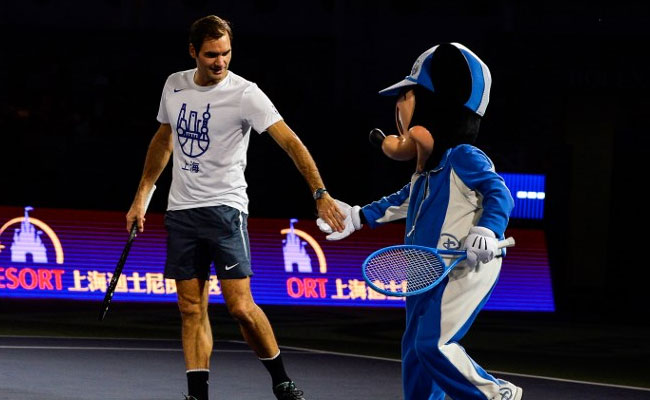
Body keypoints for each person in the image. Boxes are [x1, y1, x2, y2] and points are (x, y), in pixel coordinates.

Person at [125, 15, 345, 400]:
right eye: (211, 54)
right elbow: (164, 139)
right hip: (181, 211)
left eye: (226, 53)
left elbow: (291, 143)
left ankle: (281, 378)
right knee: (191, 308)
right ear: (193, 51)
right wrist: (142, 195)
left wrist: (320, 192)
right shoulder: (173, 85)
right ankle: (198, 393)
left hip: (226, 210)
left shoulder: (246, 94)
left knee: (240, 307)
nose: (220, 62)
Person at [317, 43, 521, 399]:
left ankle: (495, 394)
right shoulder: (425, 172)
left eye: (408, 96)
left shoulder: (463, 157)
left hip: (463, 265)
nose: (398, 107)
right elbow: (401, 201)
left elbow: (499, 192)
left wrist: (488, 229)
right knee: (414, 350)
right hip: (426, 268)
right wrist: (358, 216)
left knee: (433, 345)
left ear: (437, 103)